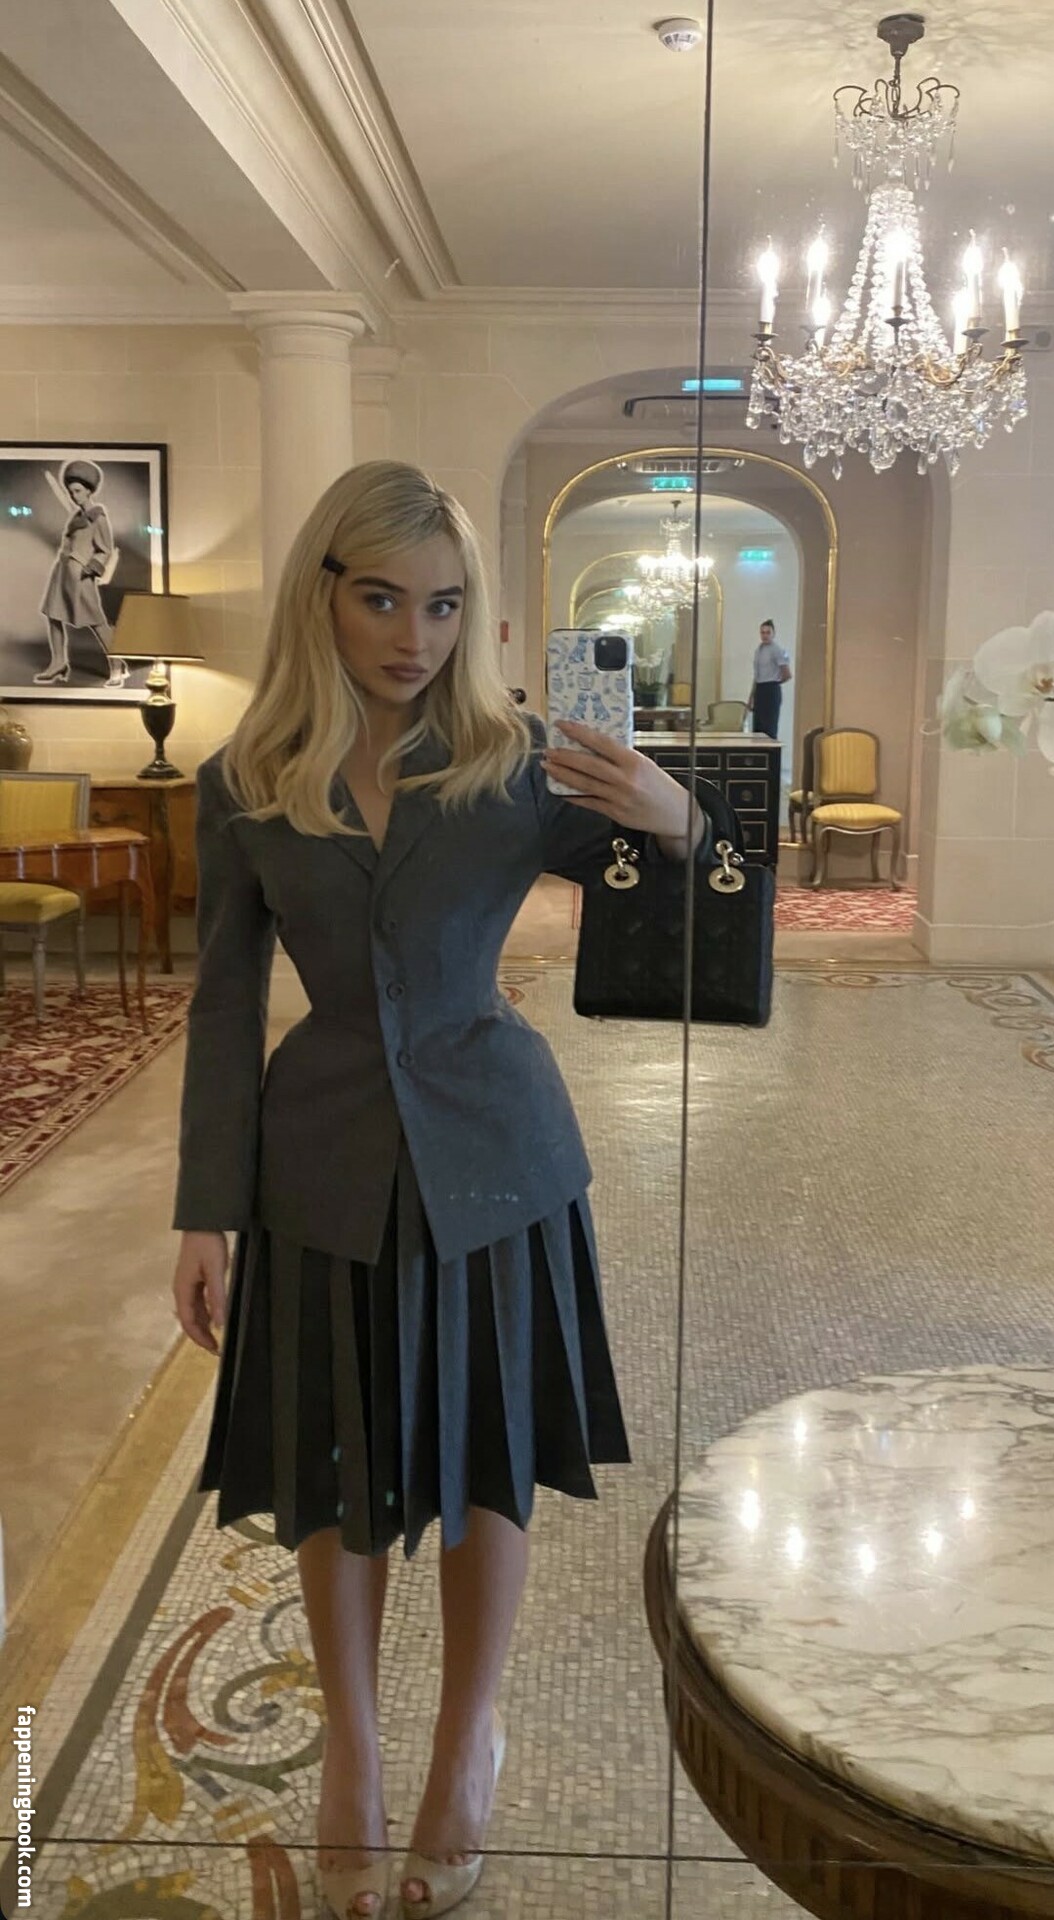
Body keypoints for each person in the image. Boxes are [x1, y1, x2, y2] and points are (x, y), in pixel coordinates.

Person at [170, 460, 703, 1920]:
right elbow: (223, 1004)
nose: (414, 636)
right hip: (316, 1164)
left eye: (446, 605)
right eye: (382, 600)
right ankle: (351, 1751)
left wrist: (678, 818)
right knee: (331, 1468)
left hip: (498, 1159)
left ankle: (467, 1737)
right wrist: (203, 1208)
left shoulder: (516, 759)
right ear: (324, 596)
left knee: (481, 1456)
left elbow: (671, 928)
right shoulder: (246, 778)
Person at [36, 459, 124, 686]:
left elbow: (105, 549)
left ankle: (116, 664)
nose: (74, 496)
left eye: (77, 491)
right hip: (62, 573)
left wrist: (89, 568)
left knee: (97, 622)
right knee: (53, 616)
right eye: (71, 491)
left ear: (88, 491)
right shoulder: (76, 517)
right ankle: (58, 663)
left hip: (81, 576)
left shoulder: (98, 517)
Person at [746, 616, 792, 739]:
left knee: (769, 727)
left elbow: (787, 674)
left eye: (768, 632)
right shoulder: (758, 650)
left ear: (773, 634)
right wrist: (751, 698)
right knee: (758, 727)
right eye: (762, 632)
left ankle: (771, 750)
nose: (765, 635)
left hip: (771, 689)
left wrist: (774, 682)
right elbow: (756, 676)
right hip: (759, 689)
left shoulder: (777, 650)